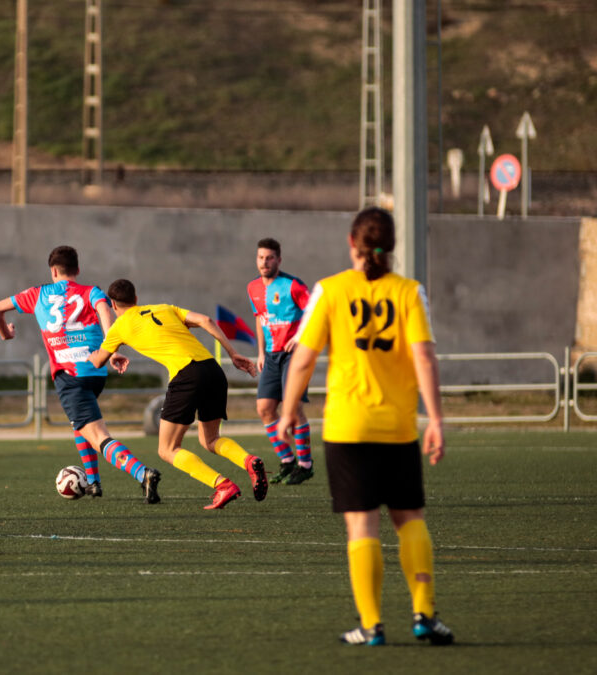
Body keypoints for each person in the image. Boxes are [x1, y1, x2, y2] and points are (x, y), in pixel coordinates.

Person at [277, 207, 454, 646]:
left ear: (351, 243)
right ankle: (424, 615)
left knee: (362, 527)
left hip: (347, 427)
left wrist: (287, 410)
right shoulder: (411, 292)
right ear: (391, 246)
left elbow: (303, 356)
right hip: (396, 427)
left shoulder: (329, 290)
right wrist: (435, 417)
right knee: (409, 519)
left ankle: (371, 625)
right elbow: (424, 358)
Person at [0, 246, 162, 503]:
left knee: (98, 435)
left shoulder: (37, 294)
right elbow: (105, 311)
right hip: (95, 371)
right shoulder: (92, 292)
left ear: (53, 271)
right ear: (77, 270)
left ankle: (142, 473)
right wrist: (111, 350)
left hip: (69, 376)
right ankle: (93, 482)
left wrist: (6, 333)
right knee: (79, 425)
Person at [89, 279, 267, 510]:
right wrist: (232, 353)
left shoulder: (119, 327)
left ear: (113, 305)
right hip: (212, 369)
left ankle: (222, 485)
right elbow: (206, 320)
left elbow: (98, 361)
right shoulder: (164, 308)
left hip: (186, 375)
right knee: (210, 439)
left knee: (167, 449)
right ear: (136, 298)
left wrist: (84, 355)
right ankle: (249, 460)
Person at [247, 237, 314, 485]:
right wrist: (261, 353)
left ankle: (305, 464)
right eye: (261, 257)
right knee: (264, 408)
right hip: (272, 356)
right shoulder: (253, 288)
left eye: (269, 258)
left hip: (294, 354)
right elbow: (259, 318)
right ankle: (287, 461)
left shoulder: (293, 285)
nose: (265, 262)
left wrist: (299, 337)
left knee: (293, 408)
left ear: (279, 260)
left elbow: (313, 313)